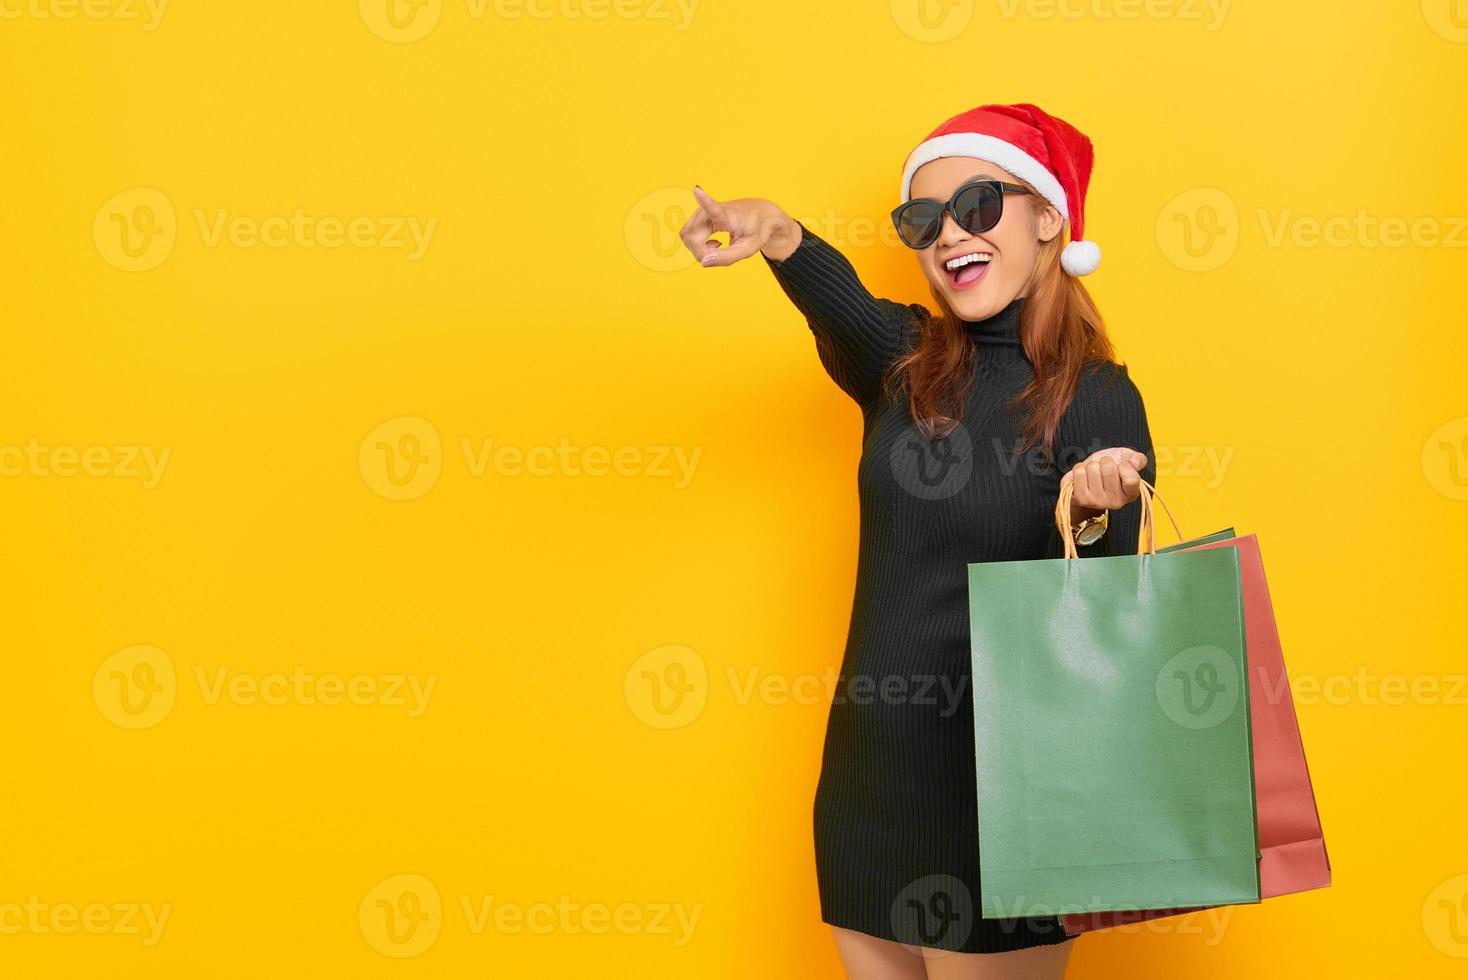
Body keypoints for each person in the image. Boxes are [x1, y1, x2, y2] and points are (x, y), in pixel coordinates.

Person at [680, 103, 1155, 980]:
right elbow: (836, 301)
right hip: (871, 776)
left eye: (979, 205)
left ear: (1048, 217)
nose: (948, 235)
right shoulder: (905, 362)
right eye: (922, 219)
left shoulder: (1094, 395)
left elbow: (1105, 612)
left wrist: (1091, 510)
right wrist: (775, 229)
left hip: (1001, 791)